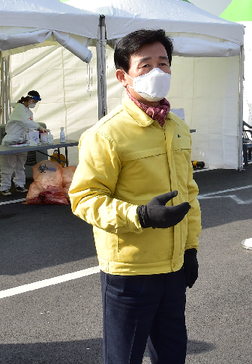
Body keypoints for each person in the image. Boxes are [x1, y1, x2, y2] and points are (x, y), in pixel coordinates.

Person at [68, 29, 201, 364]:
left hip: (173, 267)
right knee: (124, 357)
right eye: (145, 66)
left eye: (164, 63)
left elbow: (190, 193)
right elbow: (84, 198)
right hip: (129, 271)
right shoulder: (106, 134)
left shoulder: (177, 127)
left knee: (171, 355)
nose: (158, 72)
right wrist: (139, 215)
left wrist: (190, 248)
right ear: (123, 77)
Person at [1, 90, 46, 196]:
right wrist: (38, 126)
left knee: (20, 166)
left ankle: (19, 185)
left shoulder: (28, 111)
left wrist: (34, 137)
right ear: (29, 99)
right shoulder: (19, 108)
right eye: (34, 100)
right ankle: (4, 187)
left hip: (22, 141)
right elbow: (25, 122)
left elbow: (28, 127)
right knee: (8, 166)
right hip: (11, 141)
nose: (35, 103)